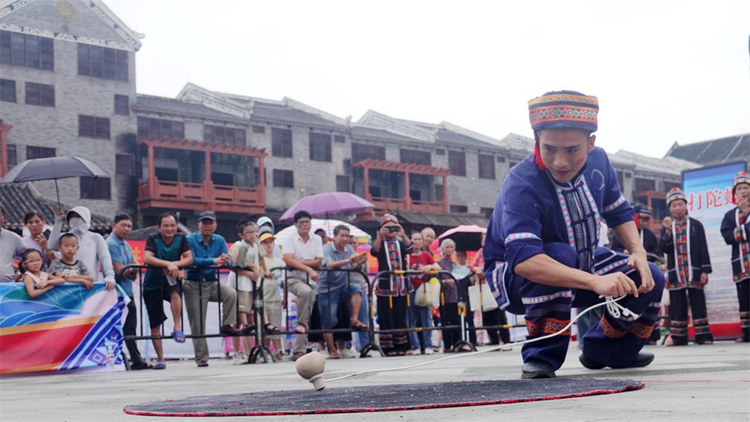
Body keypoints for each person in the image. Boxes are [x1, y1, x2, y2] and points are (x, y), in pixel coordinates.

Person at [483, 90, 664, 379]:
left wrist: (638, 252)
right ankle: (541, 355)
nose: (560, 162)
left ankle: (605, 350)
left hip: (584, 260)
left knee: (649, 276)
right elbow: (524, 260)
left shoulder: (600, 162)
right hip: (517, 277)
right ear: (537, 141)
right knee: (559, 254)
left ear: (591, 143)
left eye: (572, 150)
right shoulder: (522, 181)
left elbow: (618, 212)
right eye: (550, 149)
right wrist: (594, 281)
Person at [185, 211, 240, 367]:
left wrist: (225, 261)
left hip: (211, 281)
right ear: (199, 225)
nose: (208, 226)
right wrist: (214, 260)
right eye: (205, 223)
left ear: (215, 225)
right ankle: (202, 357)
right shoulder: (190, 239)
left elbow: (228, 261)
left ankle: (227, 325)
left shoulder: (220, 240)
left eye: (210, 223)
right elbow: (191, 260)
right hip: (194, 282)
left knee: (230, 293)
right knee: (198, 322)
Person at [660, 187, 713, 346]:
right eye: (674, 205)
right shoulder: (668, 228)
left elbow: (703, 248)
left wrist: (704, 270)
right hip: (676, 273)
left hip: (693, 272)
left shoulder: (696, 225)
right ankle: (679, 337)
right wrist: (668, 233)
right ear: (669, 208)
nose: (677, 208)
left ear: (685, 205)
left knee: (698, 304)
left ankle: (703, 336)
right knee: (677, 305)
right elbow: (665, 249)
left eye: (680, 204)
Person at [142, 212, 193, 370]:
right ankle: (161, 358)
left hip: (170, 279)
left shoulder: (181, 238)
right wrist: (168, 264)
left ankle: (177, 327)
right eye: (166, 225)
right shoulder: (153, 238)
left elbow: (189, 258)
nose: (170, 228)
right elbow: (147, 258)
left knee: (176, 293)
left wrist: (174, 264)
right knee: (155, 323)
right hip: (152, 283)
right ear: (159, 227)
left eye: (172, 225)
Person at [106, 213, 152, 370]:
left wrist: (130, 269)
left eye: (129, 226)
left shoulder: (125, 244)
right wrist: (131, 268)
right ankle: (127, 359)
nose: (126, 229)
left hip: (127, 292)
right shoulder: (111, 244)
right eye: (123, 225)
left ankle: (135, 359)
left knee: (130, 327)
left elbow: (133, 272)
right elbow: (120, 271)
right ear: (114, 225)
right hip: (116, 294)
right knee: (120, 328)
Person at [318, 225, 366, 359]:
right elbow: (329, 265)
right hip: (326, 288)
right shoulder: (326, 248)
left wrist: (360, 262)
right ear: (335, 237)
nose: (345, 239)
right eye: (342, 236)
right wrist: (348, 260)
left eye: (347, 236)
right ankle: (332, 350)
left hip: (343, 286)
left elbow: (354, 266)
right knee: (329, 319)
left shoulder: (349, 249)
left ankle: (355, 319)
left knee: (357, 289)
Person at [281, 210, 323, 361]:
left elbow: (318, 260)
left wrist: (298, 263)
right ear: (295, 224)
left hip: (311, 281)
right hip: (292, 278)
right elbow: (288, 260)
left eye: (307, 222)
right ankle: (300, 326)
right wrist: (308, 268)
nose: (304, 225)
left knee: (308, 312)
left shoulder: (317, 239)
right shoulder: (289, 239)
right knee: (305, 292)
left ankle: (299, 349)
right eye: (301, 223)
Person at [371, 214, 413, 356]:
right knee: (386, 317)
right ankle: (388, 347)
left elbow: (410, 249)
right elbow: (374, 251)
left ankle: (402, 346)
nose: (391, 230)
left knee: (400, 316)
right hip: (385, 286)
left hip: (400, 286)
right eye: (387, 227)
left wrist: (403, 234)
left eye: (393, 226)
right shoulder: (380, 243)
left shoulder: (400, 243)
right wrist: (380, 236)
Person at [49, 206, 116, 291]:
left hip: (89, 286)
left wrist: (110, 276)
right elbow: (51, 246)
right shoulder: (65, 237)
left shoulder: (96, 238)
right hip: (67, 286)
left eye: (78, 216)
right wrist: (58, 222)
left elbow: (105, 258)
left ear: (86, 218)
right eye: (72, 216)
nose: (75, 219)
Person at [720, 172, 750, 343]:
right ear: (735, 193)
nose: (743, 191)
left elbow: (734, 235)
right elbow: (727, 237)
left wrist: (746, 212)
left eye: (746, 187)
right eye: (739, 189)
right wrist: (746, 231)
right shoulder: (729, 216)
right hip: (741, 266)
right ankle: (747, 334)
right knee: (744, 299)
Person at [228, 220, 261, 364]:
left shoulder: (256, 246)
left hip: (251, 286)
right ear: (242, 234)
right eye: (250, 232)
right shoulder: (238, 245)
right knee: (238, 321)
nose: (253, 234)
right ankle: (239, 352)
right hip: (238, 285)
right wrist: (251, 272)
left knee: (250, 319)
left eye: (255, 231)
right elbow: (234, 265)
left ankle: (251, 352)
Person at [471, 232, 510, 346]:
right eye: (483, 241)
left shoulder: (497, 250)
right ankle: (493, 341)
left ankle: (506, 340)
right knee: (487, 315)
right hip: (484, 287)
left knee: (500, 315)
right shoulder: (480, 252)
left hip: (496, 285)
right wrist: (477, 269)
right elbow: (472, 266)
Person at [406, 231, 439, 355]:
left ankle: (428, 345)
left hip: (424, 289)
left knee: (426, 318)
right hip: (410, 289)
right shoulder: (407, 256)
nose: (417, 241)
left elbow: (437, 266)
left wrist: (429, 268)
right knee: (411, 319)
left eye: (419, 239)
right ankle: (415, 346)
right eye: (414, 239)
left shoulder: (426, 255)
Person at [436, 239, 465, 353]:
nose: (449, 249)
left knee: (456, 320)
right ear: (442, 249)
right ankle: (447, 345)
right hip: (444, 297)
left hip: (455, 296)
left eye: (451, 247)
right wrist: (446, 281)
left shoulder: (454, 263)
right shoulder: (439, 263)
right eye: (447, 247)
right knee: (446, 321)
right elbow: (435, 280)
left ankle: (457, 343)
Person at [260, 232, 285, 359]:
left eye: (271, 242)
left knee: (276, 326)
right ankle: (265, 352)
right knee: (264, 327)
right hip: (262, 298)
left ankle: (278, 351)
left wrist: (285, 297)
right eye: (265, 242)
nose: (269, 245)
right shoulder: (259, 261)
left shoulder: (279, 261)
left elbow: (283, 280)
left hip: (275, 297)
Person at [348, 234, 371, 352]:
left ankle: (365, 345)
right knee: (346, 317)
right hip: (347, 287)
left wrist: (361, 263)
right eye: (349, 243)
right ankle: (347, 346)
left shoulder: (362, 257)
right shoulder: (345, 257)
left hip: (361, 288)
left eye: (354, 243)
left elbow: (366, 274)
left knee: (363, 318)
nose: (352, 245)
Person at [0, 206, 26, 282]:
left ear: (4, 218)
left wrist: (19, 273)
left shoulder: (14, 238)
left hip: (8, 286)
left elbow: (27, 256)